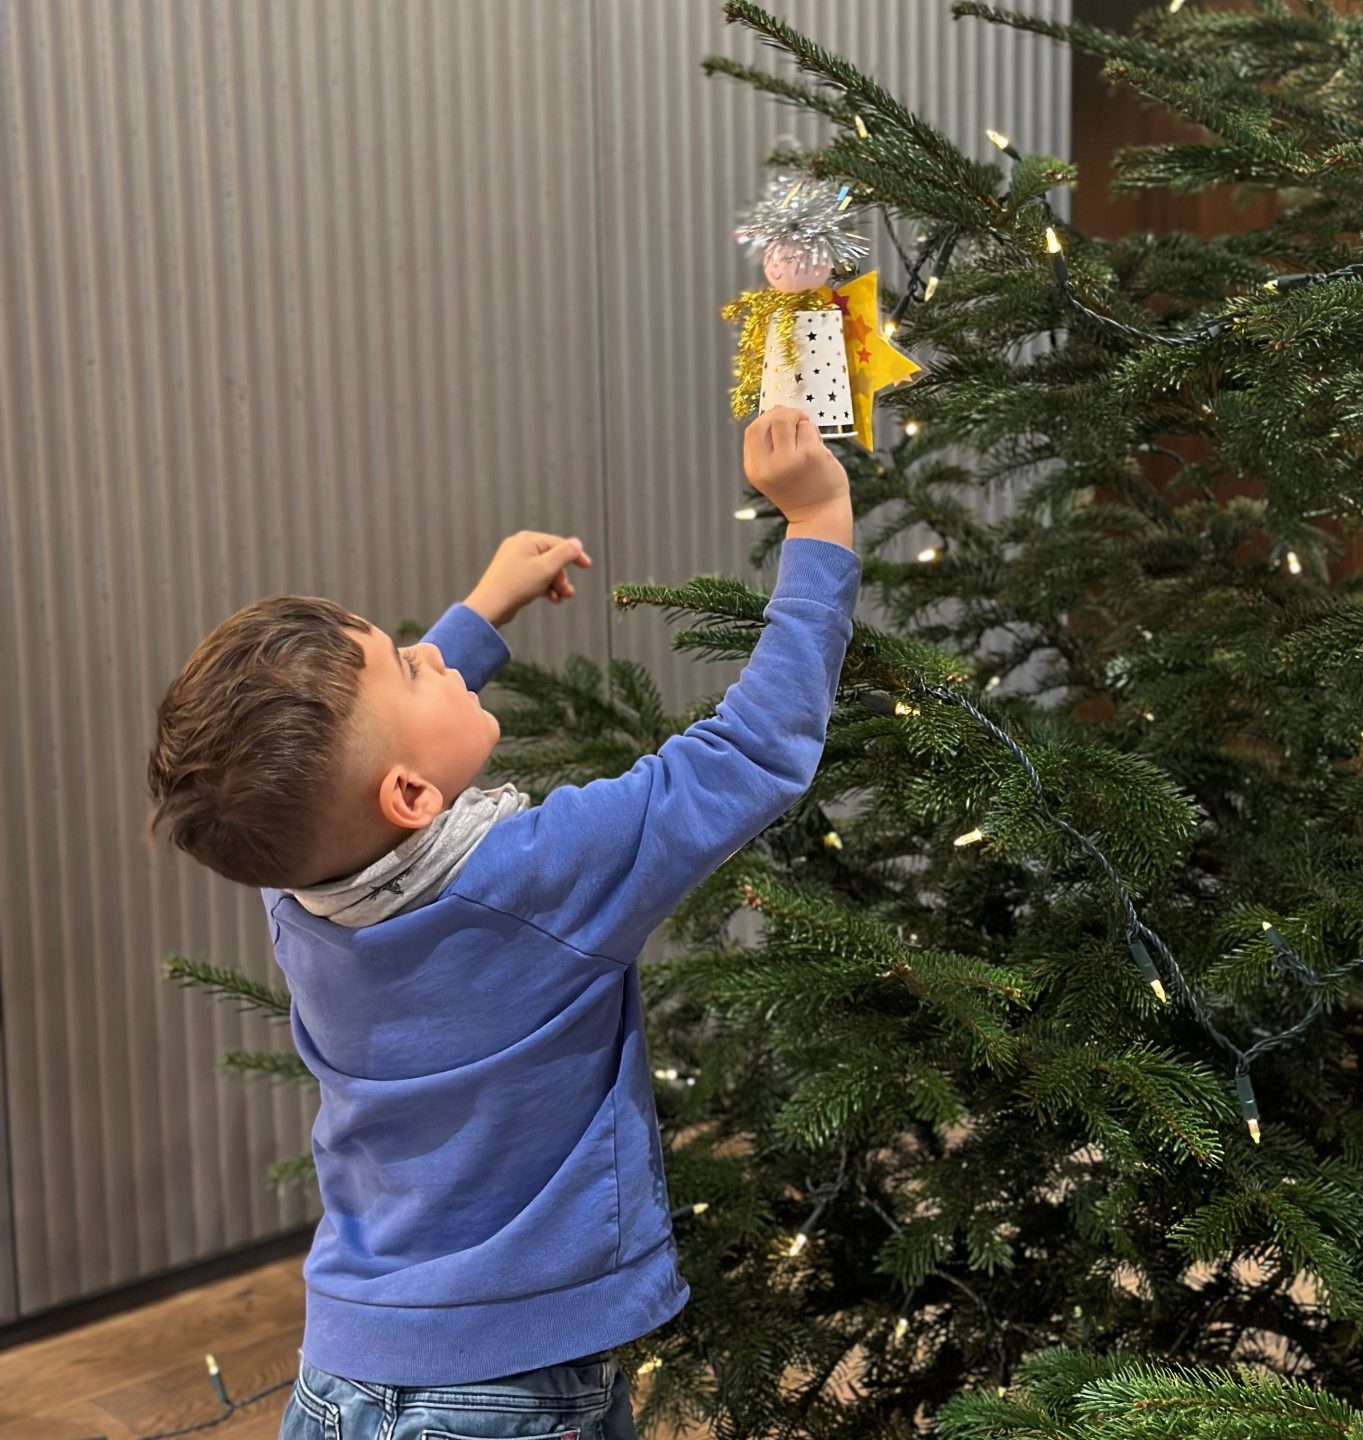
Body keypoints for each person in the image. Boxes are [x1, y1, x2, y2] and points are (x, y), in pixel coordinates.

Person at [146, 406, 859, 1438]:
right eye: (409, 665)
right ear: (410, 798)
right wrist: (818, 519)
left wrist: (481, 614)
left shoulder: (297, 893)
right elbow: (753, 753)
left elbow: (353, 777)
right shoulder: (541, 877)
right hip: (512, 1393)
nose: (429, 656)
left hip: (342, 1377)